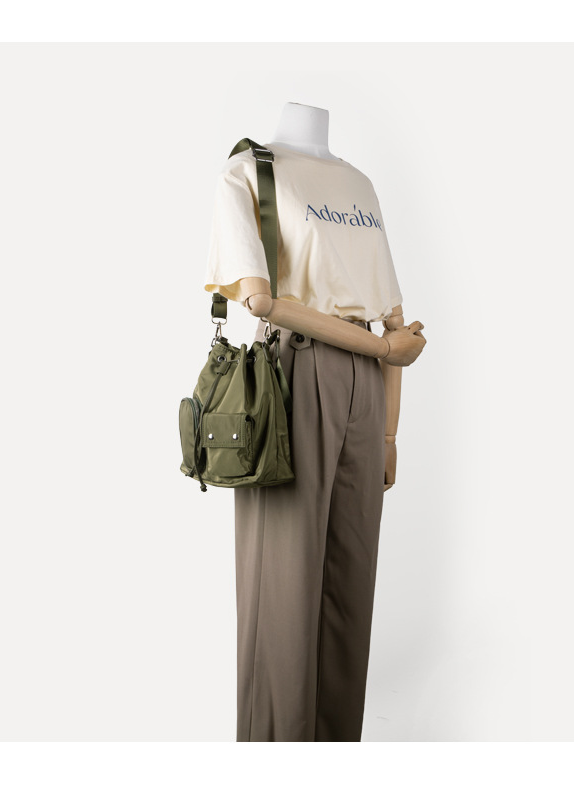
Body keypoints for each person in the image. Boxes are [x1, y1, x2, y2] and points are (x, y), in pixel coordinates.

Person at [203, 101, 427, 741]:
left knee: (349, 587)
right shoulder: (249, 170)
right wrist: (384, 349)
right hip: (292, 375)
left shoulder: (359, 183)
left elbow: (392, 314)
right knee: (284, 590)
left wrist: (389, 431)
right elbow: (262, 301)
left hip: (368, 386)